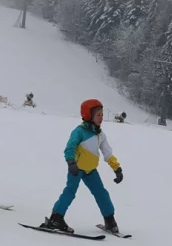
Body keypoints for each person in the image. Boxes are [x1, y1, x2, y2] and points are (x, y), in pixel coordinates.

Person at [41, 99, 123, 233]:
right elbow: (69, 148)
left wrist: (117, 168)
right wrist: (71, 162)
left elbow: (108, 153)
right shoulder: (79, 131)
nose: (101, 118)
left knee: (101, 193)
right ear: (88, 115)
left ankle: (110, 220)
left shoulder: (100, 135)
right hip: (76, 169)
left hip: (91, 170)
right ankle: (56, 218)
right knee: (70, 191)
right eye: (98, 115)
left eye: (102, 115)